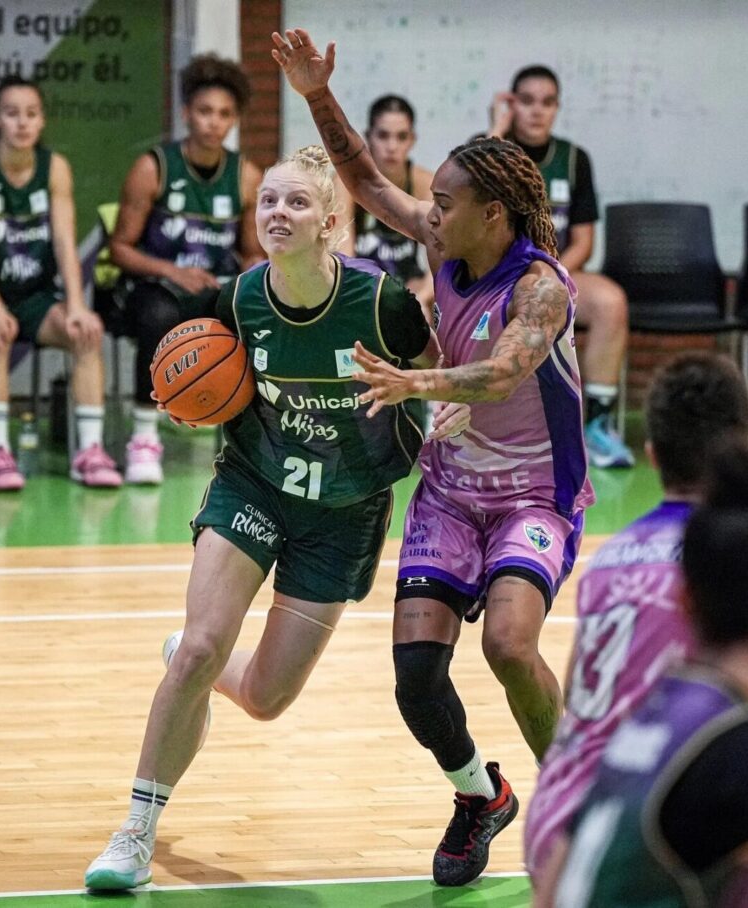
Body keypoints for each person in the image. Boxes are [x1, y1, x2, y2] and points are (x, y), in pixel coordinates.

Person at [84, 145, 469, 891]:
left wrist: (447, 392)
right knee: (202, 646)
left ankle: (190, 667)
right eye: (267, 202)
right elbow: (213, 383)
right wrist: (194, 404)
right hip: (254, 486)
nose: (278, 214)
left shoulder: (382, 302)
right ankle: (134, 832)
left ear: (331, 223)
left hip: (345, 512)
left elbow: (442, 366)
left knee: (264, 698)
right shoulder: (237, 299)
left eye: (296, 203)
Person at [273, 28, 594, 888]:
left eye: (445, 201)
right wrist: (313, 93)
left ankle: (575, 809)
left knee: (512, 648)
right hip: (451, 494)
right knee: (417, 678)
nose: (428, 209)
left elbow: (501, 374)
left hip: (534, 496)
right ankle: (480, 796)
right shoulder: (444, 242)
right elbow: (365, 178)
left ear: (493, 212)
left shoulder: (540, 286)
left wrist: (418, 385)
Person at [525, 351, 748, 894]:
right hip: (650, 820)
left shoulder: (610, 556)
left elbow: (580, 692)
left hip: (559, 816)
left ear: (651, 454)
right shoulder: (721, 553)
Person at [110, 53, 264, 485]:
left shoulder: (247, 176)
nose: (213, 122)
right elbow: (119, 247)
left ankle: (249, 437)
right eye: (204, 111)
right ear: (186, 114)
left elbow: (249, 250)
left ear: (234, 120)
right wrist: (173, 272)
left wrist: (258, 265)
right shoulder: (153, 167)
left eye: (224, 114)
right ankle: (144, 437)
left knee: (255, 314)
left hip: (214, 288)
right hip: (156, 285)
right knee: (158, 316)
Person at [488, 65, 634, 469]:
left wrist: (550, 271)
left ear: (557, 108)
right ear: (512, 106)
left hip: (557, 271)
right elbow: (468, 186)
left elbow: (585, 241)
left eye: (547, 102)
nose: (537, 111)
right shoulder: (492, 152)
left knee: (611, 301)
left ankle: (599, 426)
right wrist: (496, 127)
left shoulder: (574, 160)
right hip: (498, 278)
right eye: (527, 101)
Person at [0, 75, 122, 491]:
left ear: (41, 121)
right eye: (11, 114)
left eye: (31, 114)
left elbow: (63, 240)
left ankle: (90, 452)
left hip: (38, 298)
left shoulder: (54, 168)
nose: (22, 123)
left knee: (87, 334)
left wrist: (77, 305)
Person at [340, 95, 434, 320]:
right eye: (383, 136)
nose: (392, 146)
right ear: (367, 138)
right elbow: (343, 259)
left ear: (412, 140)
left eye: (401, 137)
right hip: (362, 287)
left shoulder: (425, 184)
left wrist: (422, 296)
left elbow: (444, 260)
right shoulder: (346, 183)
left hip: (410, 288)